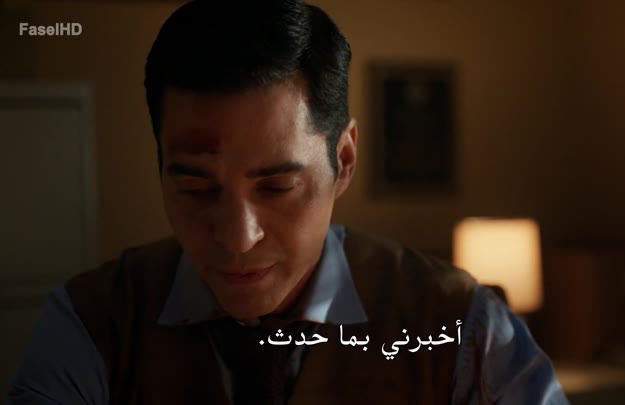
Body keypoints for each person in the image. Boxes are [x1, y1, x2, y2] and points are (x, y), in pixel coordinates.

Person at [6, 1, 569, 404]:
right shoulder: (93, 322)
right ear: (159, 167)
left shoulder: (457, 324)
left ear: (343, 159)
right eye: (196, 188)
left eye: (276, 186)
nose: (237, 237)